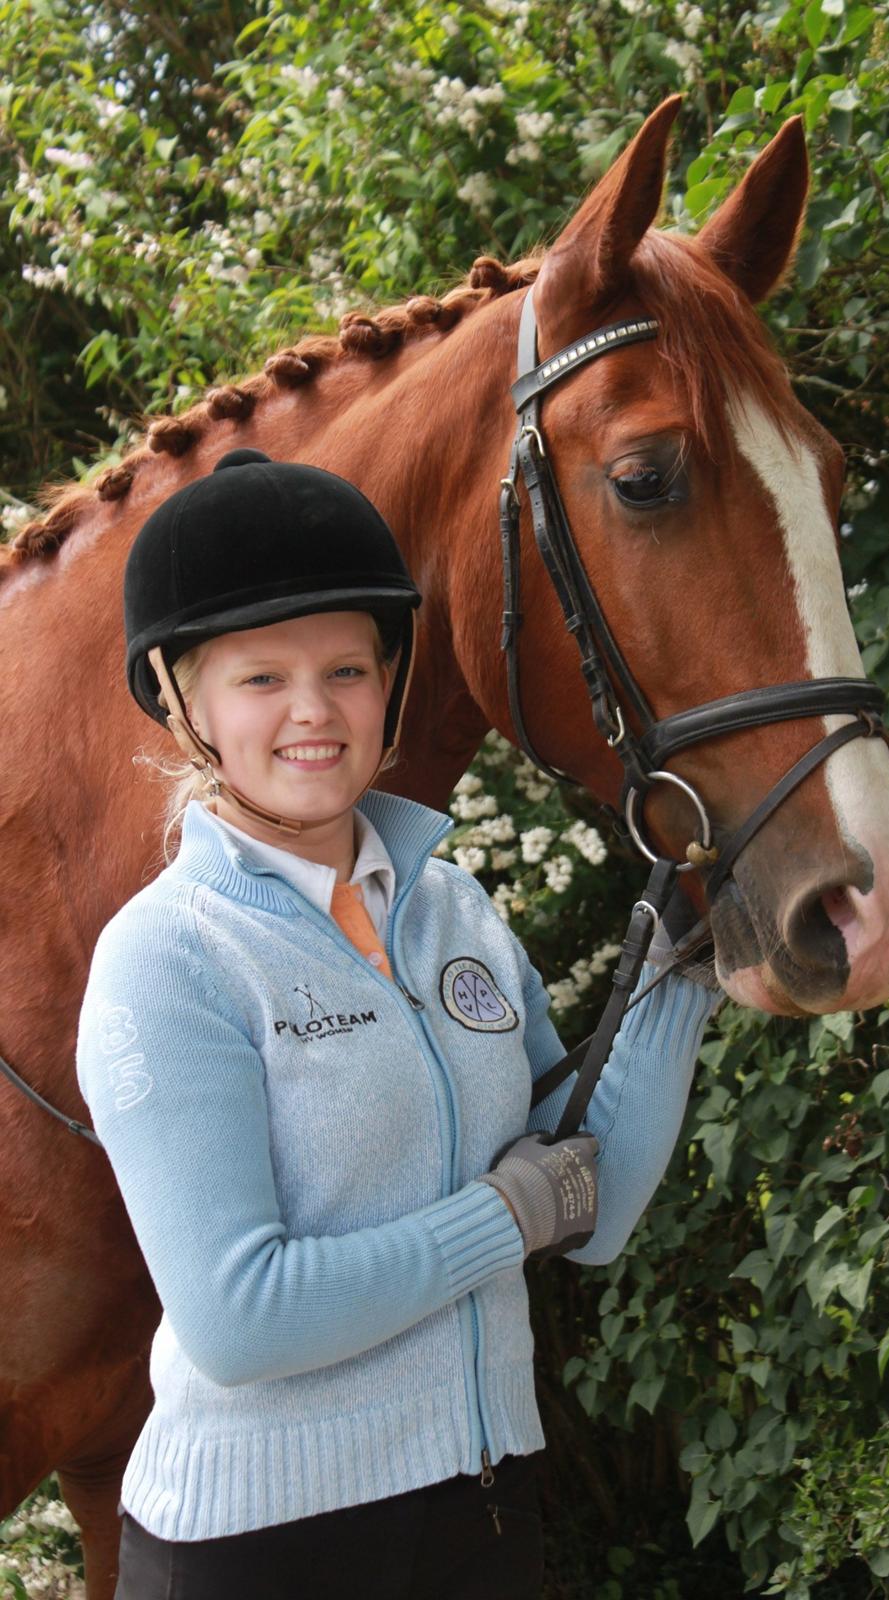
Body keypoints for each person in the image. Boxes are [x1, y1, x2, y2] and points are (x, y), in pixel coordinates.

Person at [75, 449, 716, 1599]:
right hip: (261, 1551)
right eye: (260, 677)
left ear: (390, 683)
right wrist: (498, 1219)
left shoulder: (449, 908)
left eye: (345, 669)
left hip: (481, 1507)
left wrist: (683, 965)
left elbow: (594, 1206)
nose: (314, 711)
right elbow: (239, 1318)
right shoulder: (165, 958)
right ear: (183, 701)